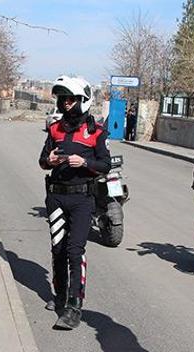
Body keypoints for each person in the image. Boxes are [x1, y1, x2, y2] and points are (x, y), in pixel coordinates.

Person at [38, 76, 111, 330]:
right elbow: (42, 161)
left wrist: (85, 163)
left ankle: (74, 305)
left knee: (74, 250)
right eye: (63, 98)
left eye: (71, 99)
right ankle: (59, 296)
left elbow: (105, 164)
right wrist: (50, 160)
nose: (66, 103)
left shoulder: (96, 131)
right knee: (57, 249)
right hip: (56, 196)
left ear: (83, 100)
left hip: (82, 199)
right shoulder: (55, 128)